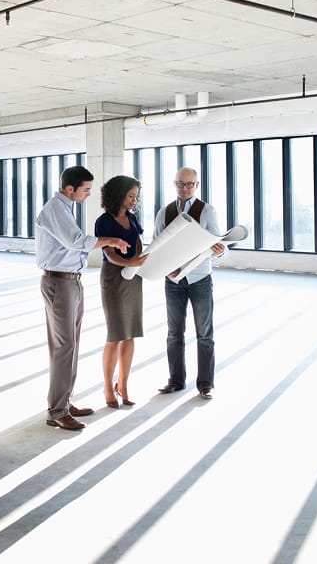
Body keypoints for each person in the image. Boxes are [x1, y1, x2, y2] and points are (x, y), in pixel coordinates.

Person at [35, 165, 130, 430]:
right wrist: (111, 240)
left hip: (71, 281)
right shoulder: (56, 208)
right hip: (59, 282)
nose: (88, 194)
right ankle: (57, 411)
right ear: (70, 189)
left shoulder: (66, 207)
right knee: (64, 347)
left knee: (71, 345)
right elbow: (75, 241)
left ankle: (64, 402)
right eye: (86, 190)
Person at [152, 166, 226, 399]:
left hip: (200, 279)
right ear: (174, 184)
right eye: (180, 184)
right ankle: (176, 381)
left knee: (204, 334)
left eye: (189, 184)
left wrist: (220, 251)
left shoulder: (207, 211)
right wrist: (165, 268)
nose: (184, 188)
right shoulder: (164, 212)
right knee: (174, 333)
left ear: (197, 185)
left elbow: (219, 245)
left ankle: (205, 384)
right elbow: (156, 245)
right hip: (173, 281)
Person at [94, 175, 149, 408]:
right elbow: (108, 253)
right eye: (130, 195)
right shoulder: (104, 221)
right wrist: (129, 263)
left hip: (134, 276)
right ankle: (108, 386)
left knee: (130, 334)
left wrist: (140, 260)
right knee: (115, 334)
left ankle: (123, 385)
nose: (134, 200)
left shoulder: (132, 217)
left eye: (136, 196)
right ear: (118, 195)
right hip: (114, 278)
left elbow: (138, 242)